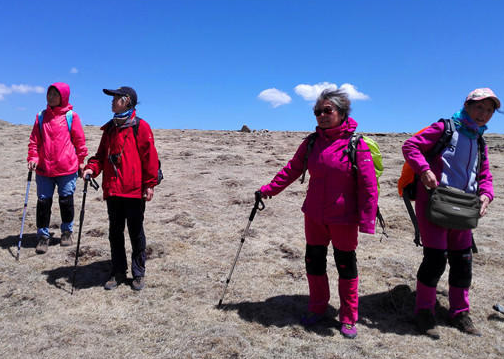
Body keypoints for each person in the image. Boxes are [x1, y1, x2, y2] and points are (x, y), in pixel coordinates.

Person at [259, 89, 378, 339]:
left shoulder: (357, 144)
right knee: (314, 263)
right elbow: (292, 169)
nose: (321, 115)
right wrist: (269, 189)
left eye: (327, 110)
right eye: (317, 112)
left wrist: (367, 221)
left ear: (342, 112)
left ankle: (348, 317)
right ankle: (317, 309)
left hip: (344, 218)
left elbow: (369, 186)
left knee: (346, 266)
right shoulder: (311, 142)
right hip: (313, 215)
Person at [402, 88, 499, 339]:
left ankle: (460, 312)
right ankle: (424, 311)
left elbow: (485, 175)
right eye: (479, 107)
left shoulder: (478, 140)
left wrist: (486, 195)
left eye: (489, 110)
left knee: (462, 262)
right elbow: (410, 145)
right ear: (467, 105)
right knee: (435, 260)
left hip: (464, 207)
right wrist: (424, 170)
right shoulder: (445, 128)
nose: (483, 114)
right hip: (435, 202)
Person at [83, 86, 160, 291]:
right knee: (115, 233)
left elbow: (150, 158)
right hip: (113, 190)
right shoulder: (109, 129)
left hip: (134, 191)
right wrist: (91, 169)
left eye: (116, 97)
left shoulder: (141, 127)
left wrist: (150, 184)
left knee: (136, 233)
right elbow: (100, 157)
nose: (112, 101)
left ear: (127, 101)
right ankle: (118, 272)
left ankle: (138, 273)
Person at [27, 82, 88, 254]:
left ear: (63, 96)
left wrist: (81, 161)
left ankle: (67, 232)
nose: (51, 97)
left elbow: (79, 141)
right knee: (43, 202)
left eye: (55, 94)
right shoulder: (40, 116)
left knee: (66, 201)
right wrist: (33, 157)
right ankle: (43, 236)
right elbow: (34, 141)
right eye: (49, 94)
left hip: (67, 168)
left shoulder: (71, 116)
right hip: (44, 169)